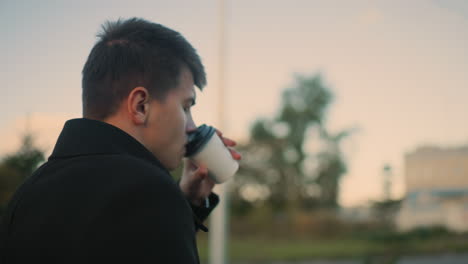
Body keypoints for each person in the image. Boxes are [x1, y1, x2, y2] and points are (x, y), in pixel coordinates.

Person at [0, 17, 241, 263]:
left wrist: (185, 203)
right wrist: (170, 203)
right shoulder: (151, 194)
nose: (191, 127)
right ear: (140, 105)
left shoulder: (26, 197)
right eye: (186, 106)